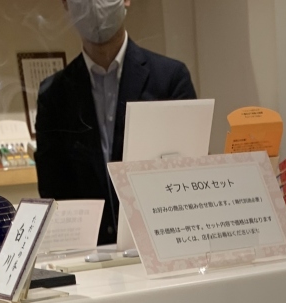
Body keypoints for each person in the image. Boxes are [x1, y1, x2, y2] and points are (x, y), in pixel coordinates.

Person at [36, 0, 197, 243]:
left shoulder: (171, 79)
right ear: (66, 4)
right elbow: (52, 191)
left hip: (162, 242)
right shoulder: (53, 94)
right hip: (88, 253)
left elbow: (190, 172)